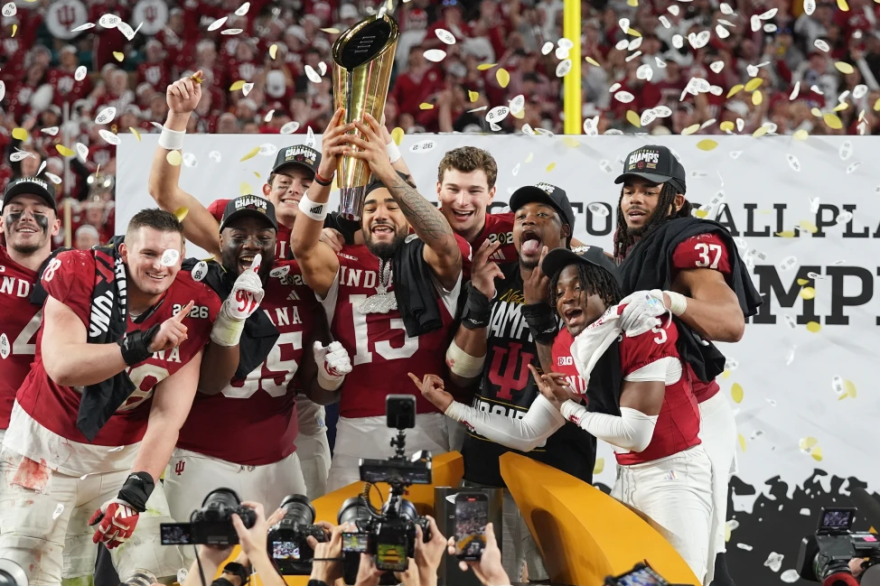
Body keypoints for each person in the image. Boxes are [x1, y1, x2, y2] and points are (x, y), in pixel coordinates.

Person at [147, 72, 354, 499]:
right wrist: (177, 119)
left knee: (305, 535)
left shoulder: (328, 242)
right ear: (267, 188)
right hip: (228, 403)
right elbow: (164, 193)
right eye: (286, 183)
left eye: (306, 184)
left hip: (297, 402)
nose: (295, 191)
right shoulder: (238, 227)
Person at [0, 209, 234, 585]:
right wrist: (141, 344)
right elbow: (62, 365)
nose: (160, 265)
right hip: (43, 450)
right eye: (149, 254)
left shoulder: (195, 302)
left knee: (161, 571)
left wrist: (134, 494)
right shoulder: (78, 270)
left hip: (123, 459)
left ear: (184, 251)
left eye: (170, 255)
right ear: (124, 251)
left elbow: (168, 416)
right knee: (22, 574)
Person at [291, 110, 468, 492]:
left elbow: (444, 243)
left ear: (409, 215)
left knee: (428, 542)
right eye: (370, 208)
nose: (380, 214)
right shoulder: (341, 261)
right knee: (347, 540)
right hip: (356, 428)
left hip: (430, 423)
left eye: (392, 206)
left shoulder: (429, 256)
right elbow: (302, 247)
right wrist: (324, 174)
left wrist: (388, 172)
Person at [612, 145, 762, 586]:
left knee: (698, 561)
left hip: (693, 421)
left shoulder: (687, 243)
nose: (635, 199)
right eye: (630, 190)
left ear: (675, 200)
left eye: (649, 191)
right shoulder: (638, 244)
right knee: (650, 559)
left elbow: (731, 324)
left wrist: (671, 300)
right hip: (653, 419)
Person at [426, 181, 587, 583]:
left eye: (543, 215)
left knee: (542, 579)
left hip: (551, 472)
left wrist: (538, 312)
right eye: (521, 217)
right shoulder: (495, 276)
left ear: (565, 231)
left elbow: (565, 384)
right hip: (479, 463)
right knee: (464, 575)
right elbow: (461, 371)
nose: (529, 221)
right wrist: (479, 300)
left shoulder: (584, 286)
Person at [163, 195, 351, 535]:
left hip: (280, 463)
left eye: (263, 237)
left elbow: (315, 393)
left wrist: (329, 375)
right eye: (239, 235)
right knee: (199, 569)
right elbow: (210, 383)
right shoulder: (197, 285)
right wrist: (231, 320)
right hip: (203, 460)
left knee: (287, 568)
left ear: (276, 242)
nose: (251, 245)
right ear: (219, 240)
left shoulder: (296, 284)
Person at [538, 245, 715, 583]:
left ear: (605, 287)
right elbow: (530, 429)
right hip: (628, 476)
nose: (567, 298)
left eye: (578, 287)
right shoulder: (573, 342)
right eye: (559, 292)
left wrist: (569, 408)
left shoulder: (639, 323)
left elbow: (635, 435)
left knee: (681, 579)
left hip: (672, 475)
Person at [0, 178, 61, 444]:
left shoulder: (77, 274)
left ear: (56, 225)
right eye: (16, 209)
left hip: (48, 427)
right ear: (1, 222)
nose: (27, 216)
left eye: (38, 211)